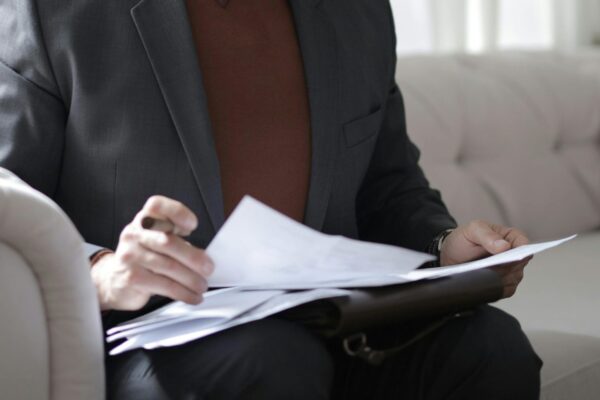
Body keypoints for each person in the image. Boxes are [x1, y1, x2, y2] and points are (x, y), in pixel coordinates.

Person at [0, 0, 541, 398]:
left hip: (335, 320)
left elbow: (388, 185)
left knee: (491, 346)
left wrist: (446, 248)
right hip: (154, 333)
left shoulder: (359, 13)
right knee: (270, 362)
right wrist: (104, 271)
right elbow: (10, 207)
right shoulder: (54, 13)